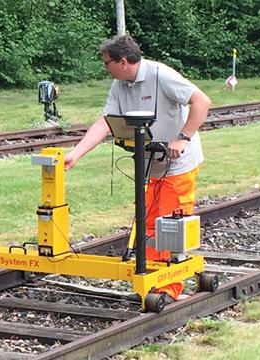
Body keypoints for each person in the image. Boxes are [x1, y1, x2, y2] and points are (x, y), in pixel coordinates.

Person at [64, 35, 211, 301]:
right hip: (151, 165)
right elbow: (105, 124)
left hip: (177, 165)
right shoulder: (119, 85)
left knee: (170, 222)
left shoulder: (161, 74)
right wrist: (76, 154)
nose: (105, 68)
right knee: (149, 224)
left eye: (106, 63)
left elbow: (202, 101)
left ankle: (168, 288)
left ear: (122, 61)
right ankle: (151, 282)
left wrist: (183, 138)